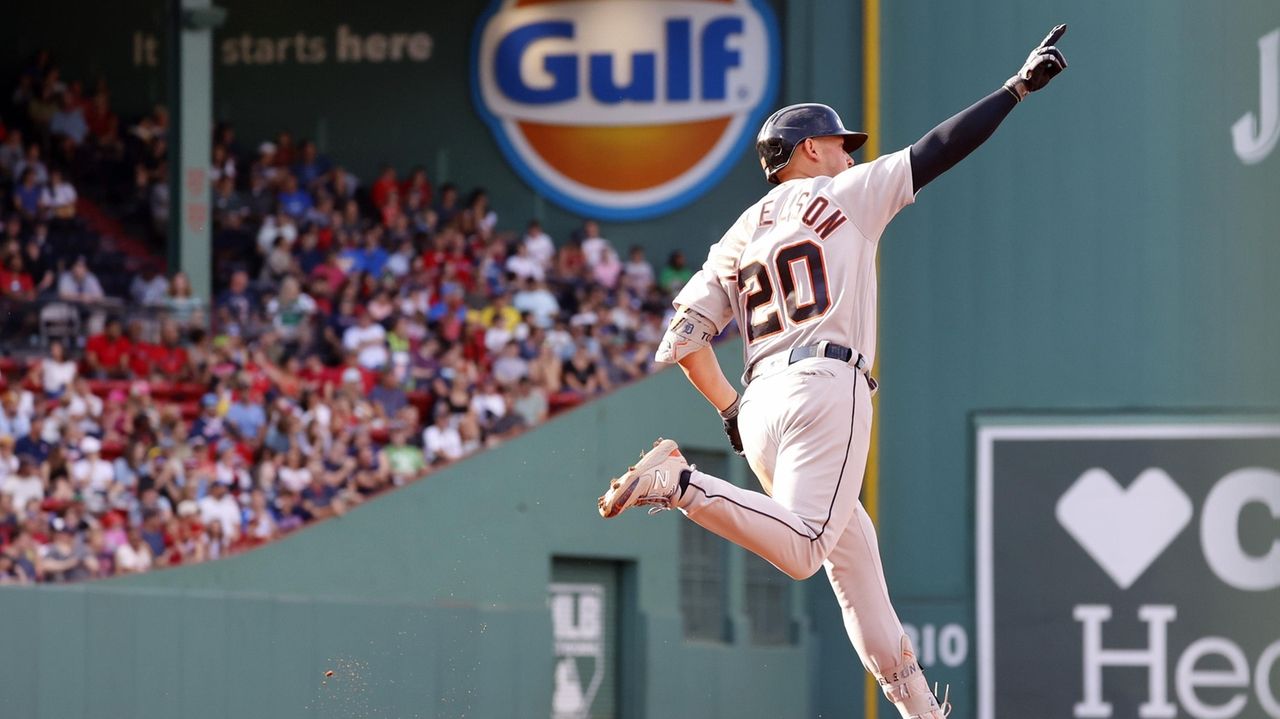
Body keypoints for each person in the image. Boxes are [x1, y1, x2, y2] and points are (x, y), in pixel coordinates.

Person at [596, 26, 1069, 719]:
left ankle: (919, 710)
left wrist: (731, 412)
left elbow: (686, 339)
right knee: (807, 549)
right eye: (840, 142)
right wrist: (1015, 89)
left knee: (856, 572)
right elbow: (940, 149)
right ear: (810, 149)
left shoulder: (735, 235)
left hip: (760, 402)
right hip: (826, 387)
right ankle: (681, 485)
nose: (849, 151)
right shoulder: (845, 192)